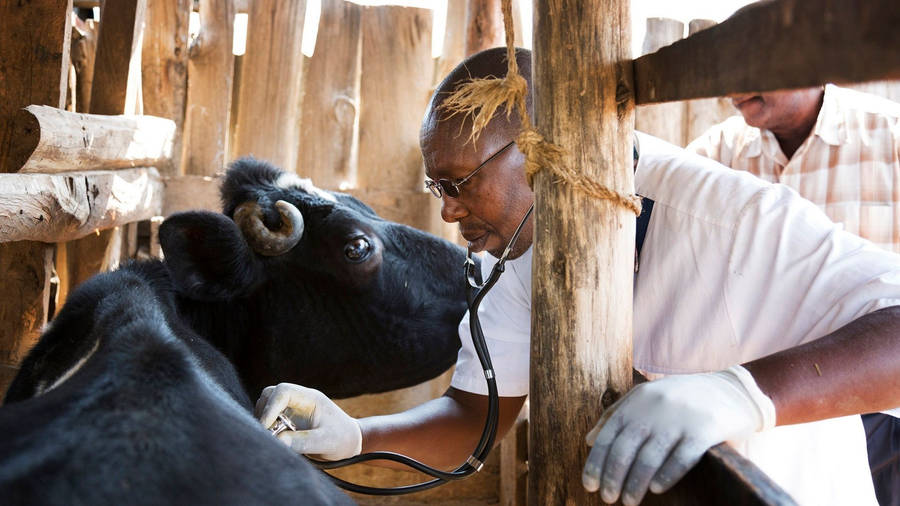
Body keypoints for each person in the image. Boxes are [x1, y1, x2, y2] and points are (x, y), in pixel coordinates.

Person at [255, 48, 900, 505]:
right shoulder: (517, 246)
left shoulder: (731, 220)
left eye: (458, 184)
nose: (447, 210)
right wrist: (355, 437)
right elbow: (474, 418)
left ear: (537, 149)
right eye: (437, 187)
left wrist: (742, 394)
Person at [688, 85, 900, 505]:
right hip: (764, 398)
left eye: (750, 65)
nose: (733, 86)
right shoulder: (715, 154)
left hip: (881, 399)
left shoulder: (890, 136)